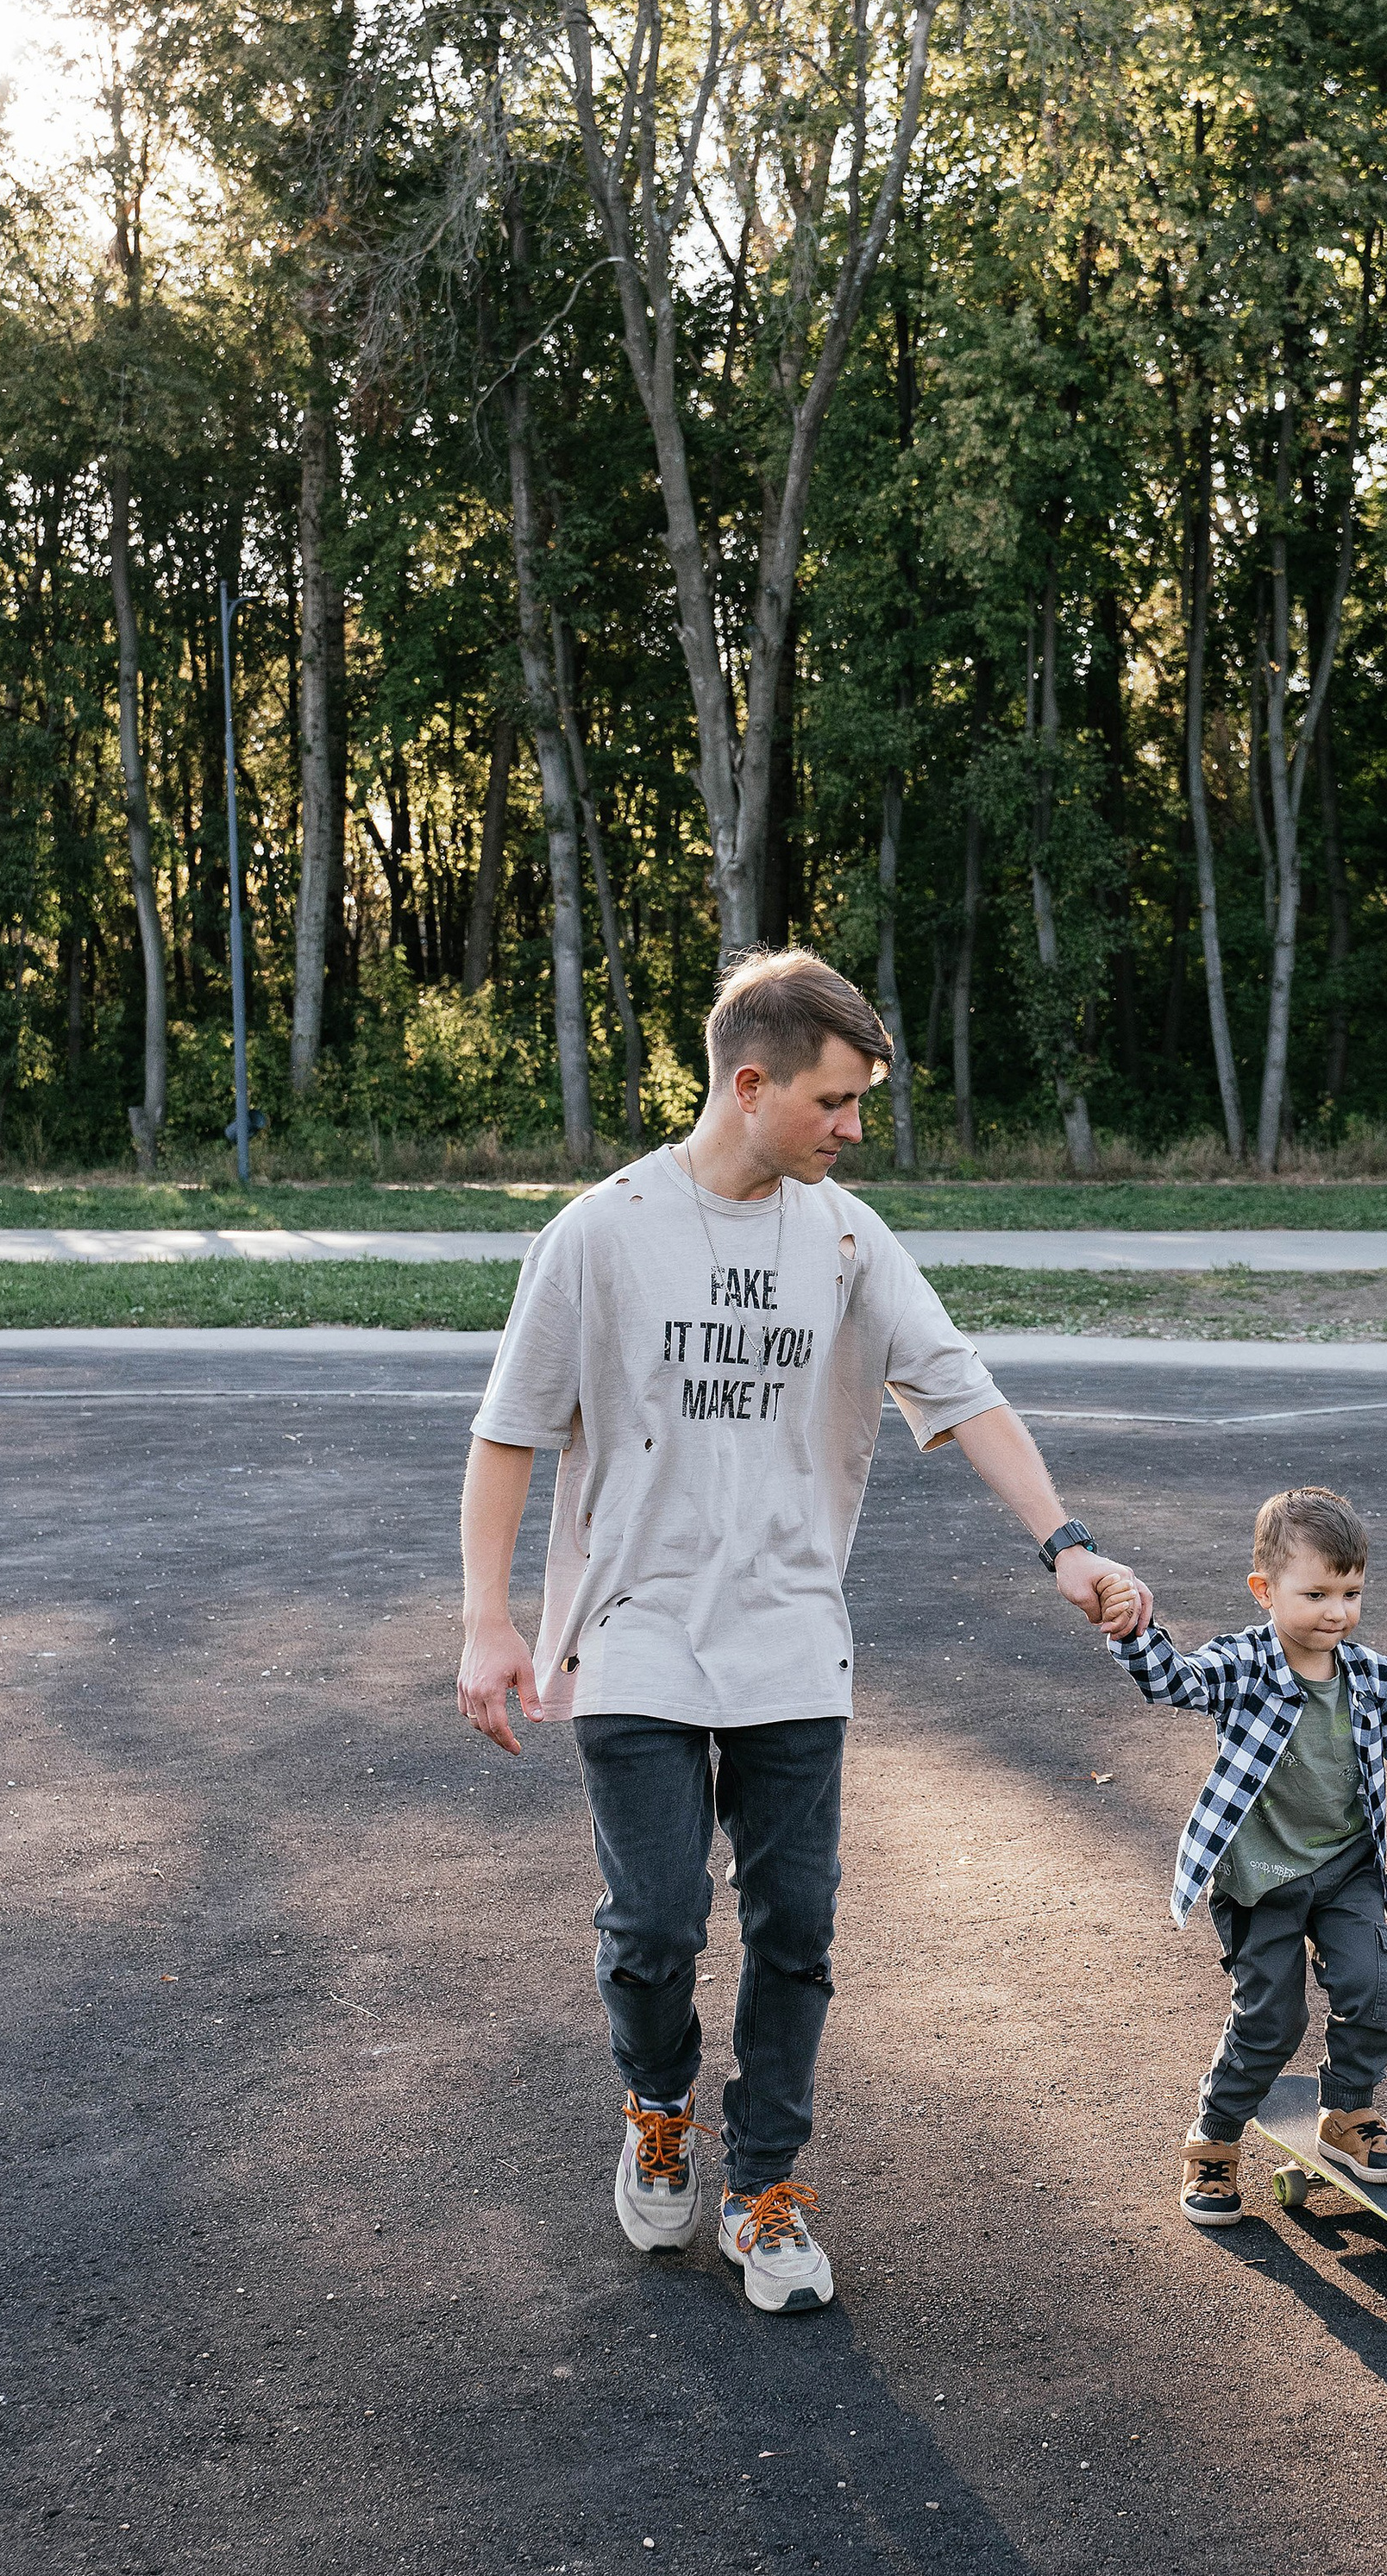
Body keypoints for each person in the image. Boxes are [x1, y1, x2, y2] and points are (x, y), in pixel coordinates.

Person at [455, 949, 1148, 2312]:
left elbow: (961, 1388)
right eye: (835, 1101)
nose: (852, 1128)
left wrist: (1065, 1542)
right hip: (635, 1629)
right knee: (654, 1927)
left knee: (797, 1929)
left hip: (788, 1637)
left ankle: (764, 2188)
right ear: (750, 1084)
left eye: (860, 1103)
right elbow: (507, 1433)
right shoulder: (599, 1235)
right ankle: (659, 2102)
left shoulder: (845, 1238)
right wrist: (487, 1622)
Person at [1106, 1482, 1387, 2227]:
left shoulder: (1370, 1675)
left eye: (1351, 1593)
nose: (1336, 1612)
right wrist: (1133, 1630)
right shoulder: (1245, 1663)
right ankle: (1215, 2139)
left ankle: (1347, 2112)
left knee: (1375, 1986)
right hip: (1260, 1878)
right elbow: (1174, 1681)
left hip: (1346, 1869)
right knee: (1271, 2021)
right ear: (1265, 1591)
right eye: (1315, 1594)